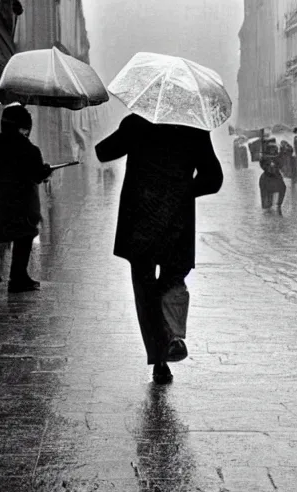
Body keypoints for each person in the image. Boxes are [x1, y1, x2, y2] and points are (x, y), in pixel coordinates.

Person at [95, 113, 223, 385]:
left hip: (139, 220)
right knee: (172, 281)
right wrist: (183, 191)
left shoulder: (136, 123)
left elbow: (103, 152)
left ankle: (160, 359)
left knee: (144, 289)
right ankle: (172, 336)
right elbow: (214, 179)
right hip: (177, 222)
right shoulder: (194, 129)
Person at [0, 105, 53, 292]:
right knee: (24, 235)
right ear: (26, 126)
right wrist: (46, 171)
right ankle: (18, 277)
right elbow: (36, 175)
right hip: (19, 203)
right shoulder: (30, 149)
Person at [259, 141, 286, 214]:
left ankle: (278, 206)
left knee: (282, 188)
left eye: (274, 150)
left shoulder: (278, 158)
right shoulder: (264, 158)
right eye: (271, 150)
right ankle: (270, 208)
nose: (272, 152)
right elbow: (263, 165)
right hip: (267, 179)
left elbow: (281, 164)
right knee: (266, 206)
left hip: (275, 178)